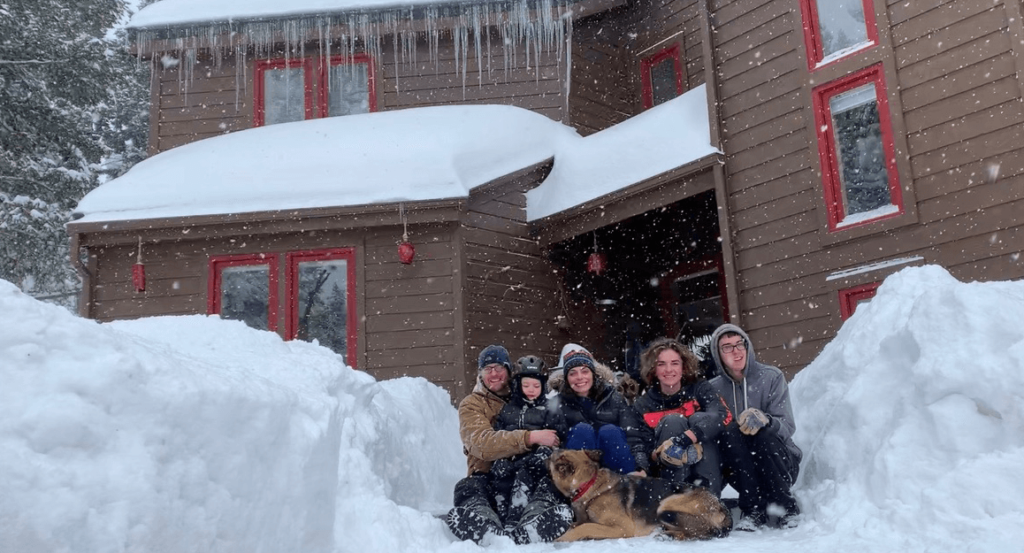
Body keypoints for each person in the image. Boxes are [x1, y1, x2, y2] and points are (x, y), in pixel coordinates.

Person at [445, 345, 573, 544]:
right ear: (480, 374)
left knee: (550, 485)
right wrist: (530, 437)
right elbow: (482, 444)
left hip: (530, 474)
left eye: (499, 368)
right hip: (490, 476)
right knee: (467, 487)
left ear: (509, 371)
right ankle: (485, 524)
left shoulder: (526, 396)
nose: (494, 374)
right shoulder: (472, 404)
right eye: (488, 369)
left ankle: (534, 522)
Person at [708, 324, 801, 530]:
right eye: (727, 347)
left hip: (780, 463)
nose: (736, 351)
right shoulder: (713, 389)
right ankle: (753, 510)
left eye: (739, 344)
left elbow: (787, 426)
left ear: (747, 346)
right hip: (741, 468)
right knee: (730, 433)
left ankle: (786, 508)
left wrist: (766, 419)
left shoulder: (771, 377)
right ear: (718, 354)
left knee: (763, 434)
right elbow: (713, 432)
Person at [633, 337, 730, 495]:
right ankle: (677, 502)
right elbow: (641, 445)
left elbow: (719, 415)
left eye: (674, 363)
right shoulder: (643, 405)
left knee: (700, 419)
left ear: (684, 367)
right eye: (661, 364)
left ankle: (710, 500)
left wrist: (687, 438)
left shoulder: (700, 388)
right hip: (667, 474)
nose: (668, 369)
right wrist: (662, 453)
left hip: (710, 465)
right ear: (653, 369)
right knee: (672, 421)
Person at [490, 355, 566, 526]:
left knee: (526, 473)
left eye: (536, 386)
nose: (531, 389)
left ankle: (516, 519)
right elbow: (498, 432)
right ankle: (501, 517)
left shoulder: (548, 409)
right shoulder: (509, 409)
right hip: (512, 455)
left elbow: (558, 434)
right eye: (526, 385)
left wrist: (546, 441)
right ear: (518, 385)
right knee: (500, 472)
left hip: (535, 459)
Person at [556, 348, 651, 474]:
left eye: (585, 371)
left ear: (593, 374)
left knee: (609, 431)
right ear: (567, 379)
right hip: (579, 472)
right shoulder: (558, 403)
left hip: (615, 469)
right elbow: (554, 443)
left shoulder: (614, 398)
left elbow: (633, 438)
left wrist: (641, 468)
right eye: (572, 373)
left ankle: (627, 482)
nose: (579, 377)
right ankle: (578, 485)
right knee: (582, 430)